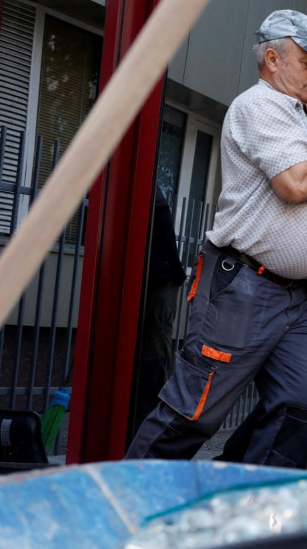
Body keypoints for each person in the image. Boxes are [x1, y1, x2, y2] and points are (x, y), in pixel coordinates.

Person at [125, 9, 307, 468]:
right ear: (272, 59)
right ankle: (120, 509)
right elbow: (298, 185)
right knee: (194, 411)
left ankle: (244, 509)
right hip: (243, 288)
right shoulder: (257, 107)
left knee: (300, 409)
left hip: (295, 299)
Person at [128, 186, 187, 438]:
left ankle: (142, 424)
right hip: (157, 278)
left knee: (150, 351)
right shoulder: (152, 193)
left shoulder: (144, 191)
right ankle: (146, 421)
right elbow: (164, 234)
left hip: (146, 278)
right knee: (155, 349)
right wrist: (175, 271)